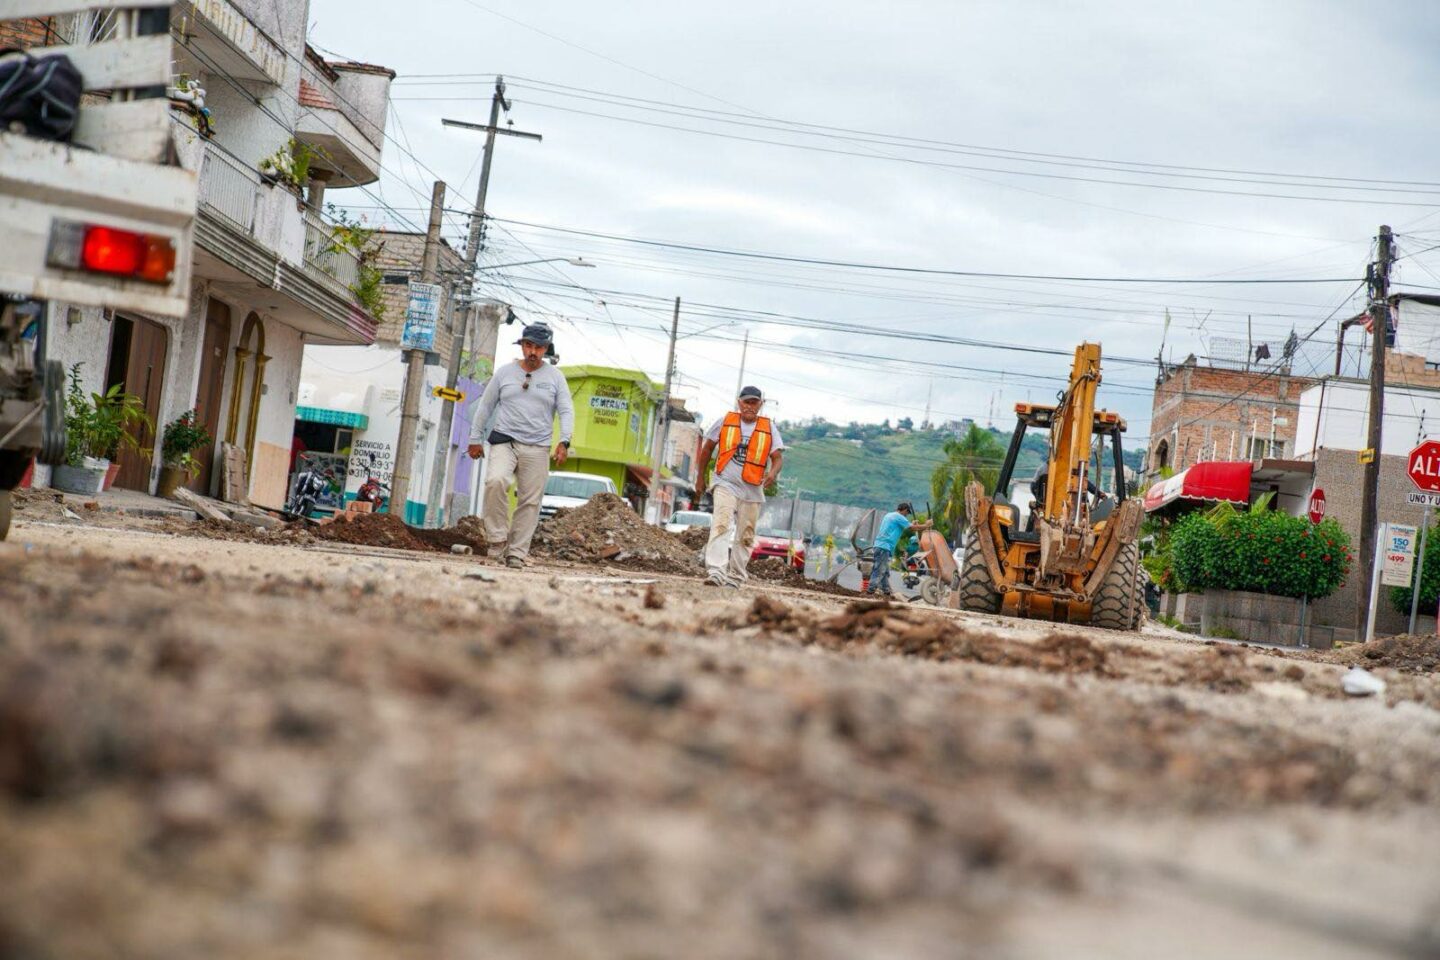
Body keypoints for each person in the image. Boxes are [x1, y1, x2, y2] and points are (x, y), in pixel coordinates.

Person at [467, 322, 575, 568]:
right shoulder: (504, 373)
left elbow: (566, 410)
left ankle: (516, 552)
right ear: (522, 346)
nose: (533, 352)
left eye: (539, 347)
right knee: (495, 481)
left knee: (530, 500)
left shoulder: (555, 378)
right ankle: (497, 540)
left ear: (547, 349)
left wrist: (564, 440)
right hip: (505, 440)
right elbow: (485, 406)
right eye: (529, 346)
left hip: (537, 447)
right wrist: (475, 438)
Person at [694, 385, 785, 588]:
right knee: (721, 523)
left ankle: (736, 576)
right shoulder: (725, 421)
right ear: (739, 403)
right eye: (747, 402)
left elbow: (778, 458)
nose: (750, 406)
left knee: (746, 533)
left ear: (760, 405)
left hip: (752, 487)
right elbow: (707, 448)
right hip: (725, 482)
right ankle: (716, 571)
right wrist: (700, 477)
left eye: (754, 402)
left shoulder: (768, 427)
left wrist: (772, 473)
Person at [866, 501, 931, 597]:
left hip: (879, 545)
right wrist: (926, 525)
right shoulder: (899, 517)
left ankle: (887, 592)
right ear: (904, 510)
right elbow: (912, 528)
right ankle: (870, 591)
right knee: (879, 570)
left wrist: (912, 524)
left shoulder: (890, 515)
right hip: (884, 546)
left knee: (885, 571)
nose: (907, 515)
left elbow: (905, 526)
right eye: (907, 513)